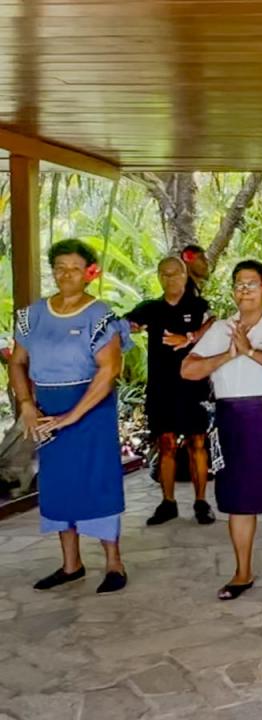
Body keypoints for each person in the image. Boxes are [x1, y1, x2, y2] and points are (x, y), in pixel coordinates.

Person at [182, 260, 262, 601]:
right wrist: (229, 353)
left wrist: (251, 350)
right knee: (239, 503)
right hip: (233, 419)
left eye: (251, 283)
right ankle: (242, 572)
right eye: (238, 283)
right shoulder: (221, 329)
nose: (244, 289)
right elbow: (189, 370)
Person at [9, 238, 132, 594]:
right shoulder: (34, 315)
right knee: (58, 483)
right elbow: (18, 362)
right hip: (46, 411)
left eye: (74, 268)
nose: (66, 274)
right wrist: (27, 405)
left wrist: (72, 416)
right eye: (59, 267)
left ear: (88, 274)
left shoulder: (100, 315)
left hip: (90, 410)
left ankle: (113, 562)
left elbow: (108, 372)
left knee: (97, 481)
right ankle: (70, 563)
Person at [126, 257, 215, 526]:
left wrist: (189, 337)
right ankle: (168, 503)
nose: (170, 279)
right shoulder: (150, 307)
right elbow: (126, 324)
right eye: (164, 274)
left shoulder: (198, 306)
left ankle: (201, 502)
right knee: (165, 445)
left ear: (185, 275)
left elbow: (214, 323)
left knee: (197, 443)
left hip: (193, 386)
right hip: (161, 389)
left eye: (175, 274)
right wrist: (129, 327)